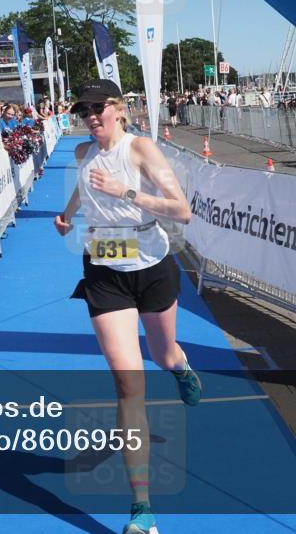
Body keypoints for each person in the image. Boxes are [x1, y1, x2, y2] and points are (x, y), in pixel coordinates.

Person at [53, 79, 200, 534]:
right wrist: (68, 214)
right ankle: (142, 507)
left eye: (99, 107)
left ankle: (179, 367)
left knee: (162, 354)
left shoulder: (142, 151)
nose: (91, 116)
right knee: (127, 381)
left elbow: (182, 211)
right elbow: (84, 185)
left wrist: (127, 193)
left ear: (117, 109)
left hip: (152, 266)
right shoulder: (83, 154)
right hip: (104, 272)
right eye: (84, 109)